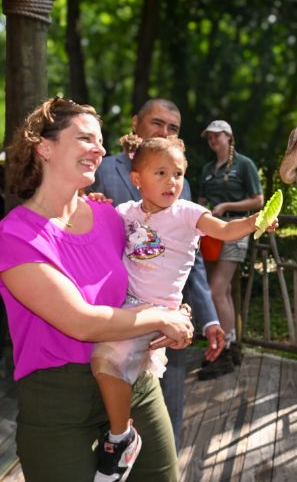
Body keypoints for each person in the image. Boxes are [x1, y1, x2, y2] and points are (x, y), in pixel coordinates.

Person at [0, 98, 193, 482]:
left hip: (132, 382)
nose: (101, 149)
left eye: (101, 141)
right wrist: (161, 318)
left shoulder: (111, 217)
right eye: (86, 138)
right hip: (58, 403)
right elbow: (81, 322)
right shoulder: (15, 235)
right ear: (45, 146)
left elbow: (156, 267)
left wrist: (177, 309)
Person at [90, 133, 275, 482]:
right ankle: (120, 431)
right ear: (136, 179)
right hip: (127, 306)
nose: (171, 182)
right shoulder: (125, 212)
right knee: (103, 363)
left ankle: (119, 438)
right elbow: (95, 230)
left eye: (178, 174)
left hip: (160, 312)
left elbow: (224, 229)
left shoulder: (187, 214)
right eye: (160, 173)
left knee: (106, 360)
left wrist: (255, 222)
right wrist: (96, 202)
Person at [90, 98, 223, 449]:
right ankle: (119, 449)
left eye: (173, 128)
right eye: (157, 123)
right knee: (109, 396)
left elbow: (188, 257)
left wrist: (203, 315)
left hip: (168, 324)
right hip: (115, 314)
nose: (165, 132)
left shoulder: (179, 182)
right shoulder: (100, 170)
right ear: (136, 123)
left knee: (167, 412)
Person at [198, 120, 263, 380]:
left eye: (217, 136)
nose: (213, 140)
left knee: (216, 289)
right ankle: (231, 345)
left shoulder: (244, 164)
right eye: (209, 137)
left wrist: (226, 206)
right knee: (221, 291)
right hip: (211, 234)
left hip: (235, 232)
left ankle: (224, 349)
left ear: (229, 137)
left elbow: (258, 200)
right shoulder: (206, 169)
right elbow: (201, 200)